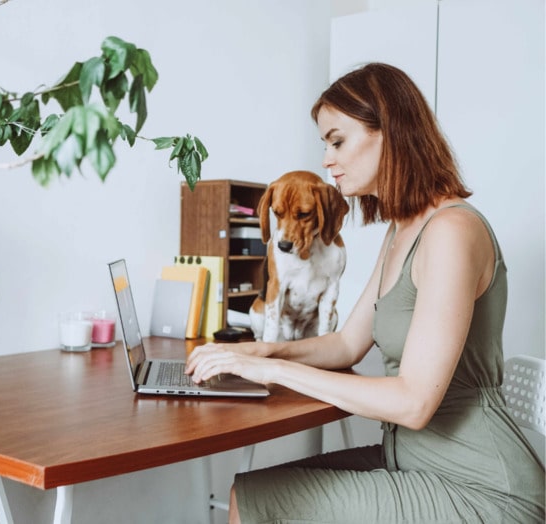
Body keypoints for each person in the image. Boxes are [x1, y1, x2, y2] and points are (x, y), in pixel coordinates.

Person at [185, 62, 545, 523]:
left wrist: (265, 368)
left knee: (258, 504)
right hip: (414, 461)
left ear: (391, 132)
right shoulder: (402, 230)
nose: (326, 159)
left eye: (338, 140)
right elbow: (346, 344)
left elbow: (413, 403)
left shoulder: (452, 231)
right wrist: (260, 350)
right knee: (248, 493)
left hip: (483, 488)